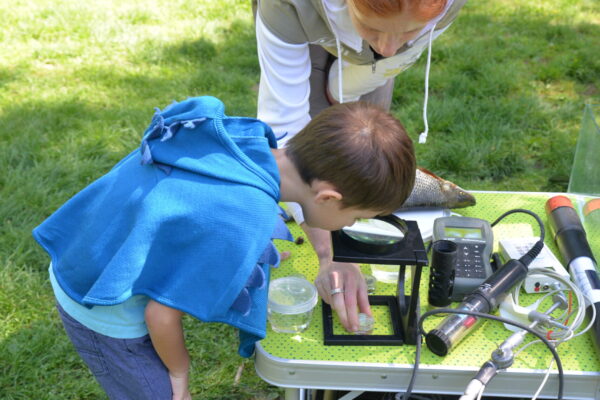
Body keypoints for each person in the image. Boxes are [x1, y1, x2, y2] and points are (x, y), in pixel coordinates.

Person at [33, 96, 416, 399]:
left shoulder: (250, 141)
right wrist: (180, 372)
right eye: (355, 217)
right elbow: (161, 315)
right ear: (329, 197)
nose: (350, 226)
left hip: (92, 247)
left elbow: (198, 206)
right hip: (102, 311)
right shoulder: (243, 221)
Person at [253, 0, 465, 332]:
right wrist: (331, 252)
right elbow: (285, 131)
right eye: (373, 27)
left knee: (363, 138)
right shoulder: (288, 6)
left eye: (410, 30)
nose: (387, 47)